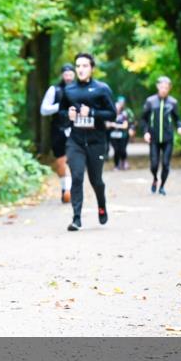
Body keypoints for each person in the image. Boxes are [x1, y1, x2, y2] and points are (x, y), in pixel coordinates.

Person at [57, 53, 117, 231]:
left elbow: (112, 113)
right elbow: (60, 114)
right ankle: (76, 218)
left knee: (96, 180)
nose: (80, 69)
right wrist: (68, 115)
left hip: (96, 141)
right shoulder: (69, 90)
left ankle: (101, 204)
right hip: (75, 141)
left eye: (84, 66)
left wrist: (91, 113)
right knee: (76, 177)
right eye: (78, 66)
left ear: (91, 68)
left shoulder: (101, 88)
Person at [141, 76, 181, 195]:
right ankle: (155, 178)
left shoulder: (173, 102)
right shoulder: (150, 101)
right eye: (162, 87)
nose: (164, 89)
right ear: (158, 86)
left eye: (166, 87)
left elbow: (178, 119)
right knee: (154, 164)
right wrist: (145, 132)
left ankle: (162, 186)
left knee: (166, 163)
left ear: (169, 88)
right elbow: (144, 119)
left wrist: (180, 127)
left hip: (168, 138)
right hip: (154, 138)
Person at [40, 64, 76, 203]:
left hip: (76, 129)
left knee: (74, 160)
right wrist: (60, 106)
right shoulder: (54, 90)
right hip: (58, 129)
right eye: (65, 74)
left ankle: (71, 189)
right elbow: (44, 110)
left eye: (70, 74)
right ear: (62, 75)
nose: (68, 77)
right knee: (60, 161)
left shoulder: (80, 89)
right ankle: (64, 189)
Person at [106, 96, 132, 170]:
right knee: (116, 150)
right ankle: (116, 165)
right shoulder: (110, 115)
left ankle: (124, 161)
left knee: (122, 150)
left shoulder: (124, 114)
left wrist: (115, 125)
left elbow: (125, 125)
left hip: (123, 135)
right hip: (113, 136)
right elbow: (107, 125)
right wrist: (110, 125)